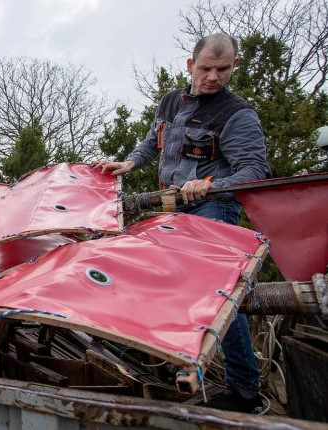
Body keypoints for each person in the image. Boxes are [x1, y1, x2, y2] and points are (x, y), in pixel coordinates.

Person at [94, 33, 271, 414]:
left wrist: (209, 185)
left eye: (222, 70)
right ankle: (158, 351)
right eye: (206, 68)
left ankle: (245, 392)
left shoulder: (238, 114)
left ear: (233, 67)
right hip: (174, 209)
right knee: (159, 278)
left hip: (214, 212)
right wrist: (130, 162)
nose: (213, 77)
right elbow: (150, 141)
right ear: (190, 66)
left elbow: (256, 172)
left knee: (219, 296)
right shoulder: (171, 102)